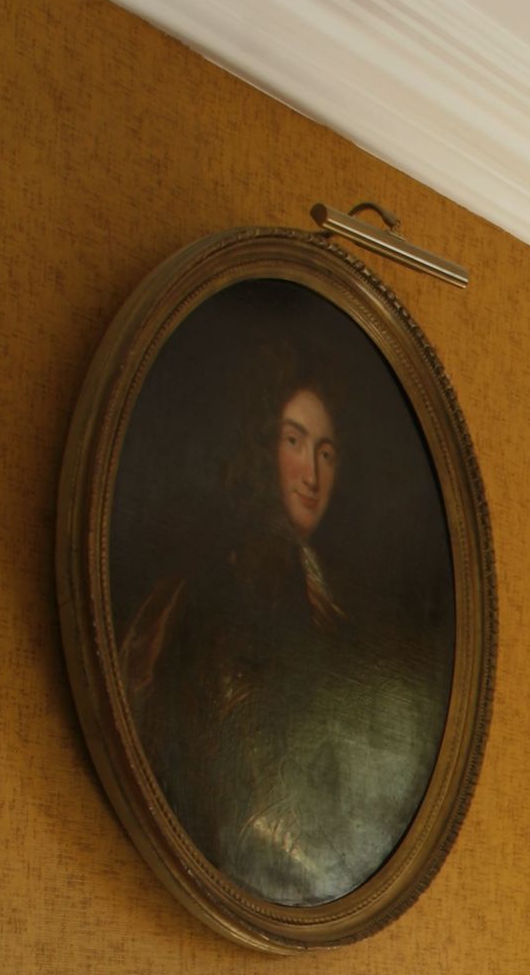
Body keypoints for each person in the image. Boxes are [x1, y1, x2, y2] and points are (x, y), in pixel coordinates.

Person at [119, 341, 451, 906]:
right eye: (294, 441)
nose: (311, 474)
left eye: (327, 452)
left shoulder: (327, 595)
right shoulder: (228, 588)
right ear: (262, 448)